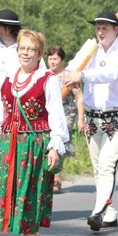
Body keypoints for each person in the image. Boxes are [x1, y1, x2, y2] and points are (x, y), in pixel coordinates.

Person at [0, 29, 69, 236]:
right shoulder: (8, 79)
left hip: (35, 142)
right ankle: (19, 231)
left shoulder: (46, 80)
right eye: (22, 48)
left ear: (39, 53)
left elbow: (56, 114)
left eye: (31, 49)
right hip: (10, 143)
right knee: (10, 188)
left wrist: (54, 146)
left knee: (32, 189)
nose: (26, 53)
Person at [64, 10, 118, 231]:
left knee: (107, 165)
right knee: (97, 167)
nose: (100, 32)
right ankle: (110, 211)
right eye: (98, 27)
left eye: (105, 27)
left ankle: (97, 212)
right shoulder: (90, 48)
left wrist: (83, 76)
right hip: (92, 115)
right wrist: (70, 73)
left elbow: (112, 73)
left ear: (116, 30)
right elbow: (72, 68)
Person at [47, 45, 85, 193]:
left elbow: (79, 97)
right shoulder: (44, 75)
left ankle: (57, 178)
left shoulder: (69, 76)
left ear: (62, 60)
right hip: (50, 114)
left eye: (55, 58)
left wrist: (81, 119)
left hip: (66, 113)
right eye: (50, 58)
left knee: (60, 143)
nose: (52, 62)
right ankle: (48, 175)